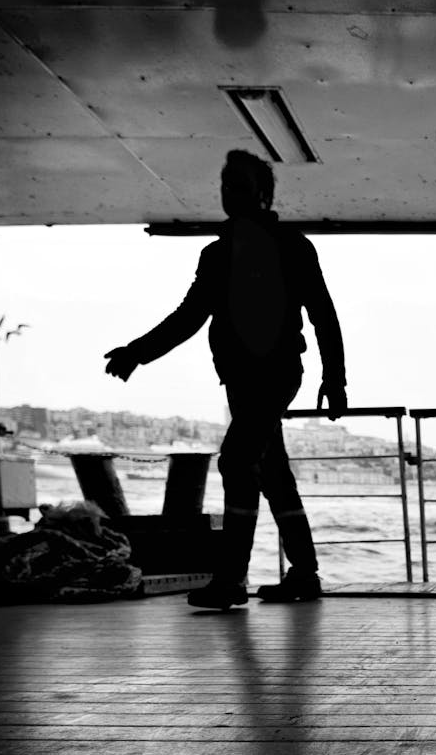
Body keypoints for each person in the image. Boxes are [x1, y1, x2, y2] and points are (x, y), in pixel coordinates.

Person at [105, 149, 347, 609]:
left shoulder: (292, 245)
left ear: (263, 193)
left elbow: (323, 314)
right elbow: (190, 316)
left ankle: (231, 579)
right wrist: (137, 353)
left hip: (276, 375)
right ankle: (304, 573)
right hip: (239, 380)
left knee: (236, 461)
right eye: (225, 184)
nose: (228, 192)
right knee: (272, 474)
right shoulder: (215, 254)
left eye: (238, 184)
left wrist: (335, 379)